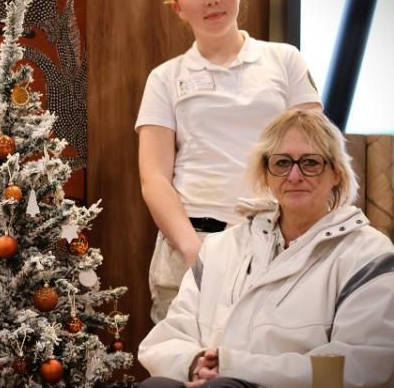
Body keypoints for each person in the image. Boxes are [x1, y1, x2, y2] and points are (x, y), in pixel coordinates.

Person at [135, 0, 322, 322]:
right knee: (188, 367)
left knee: (275, 368)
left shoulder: (284, 59)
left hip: (279, 239)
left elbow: (317, 153)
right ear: (178, 8)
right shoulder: (165, 77)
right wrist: (193, 252)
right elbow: (154, 178)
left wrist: (300, 238)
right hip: (193, 241)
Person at [137, 109, 394, 388]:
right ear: (266, 174)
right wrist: (197, 364)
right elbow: (165, 339)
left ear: (337, 174)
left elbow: (359, 365)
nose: (294, 175)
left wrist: (236, 368)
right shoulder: (221, 247)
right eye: (282, 163)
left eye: (310, 162)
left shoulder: (367, 253)